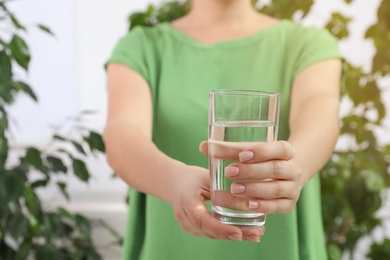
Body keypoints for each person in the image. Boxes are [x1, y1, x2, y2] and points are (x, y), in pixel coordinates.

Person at [103, 0, 343, 259]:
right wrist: (172, 180)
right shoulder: (141, 48)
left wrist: (295, 166)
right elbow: (122, 132)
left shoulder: (306, 43)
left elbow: (320, 112)